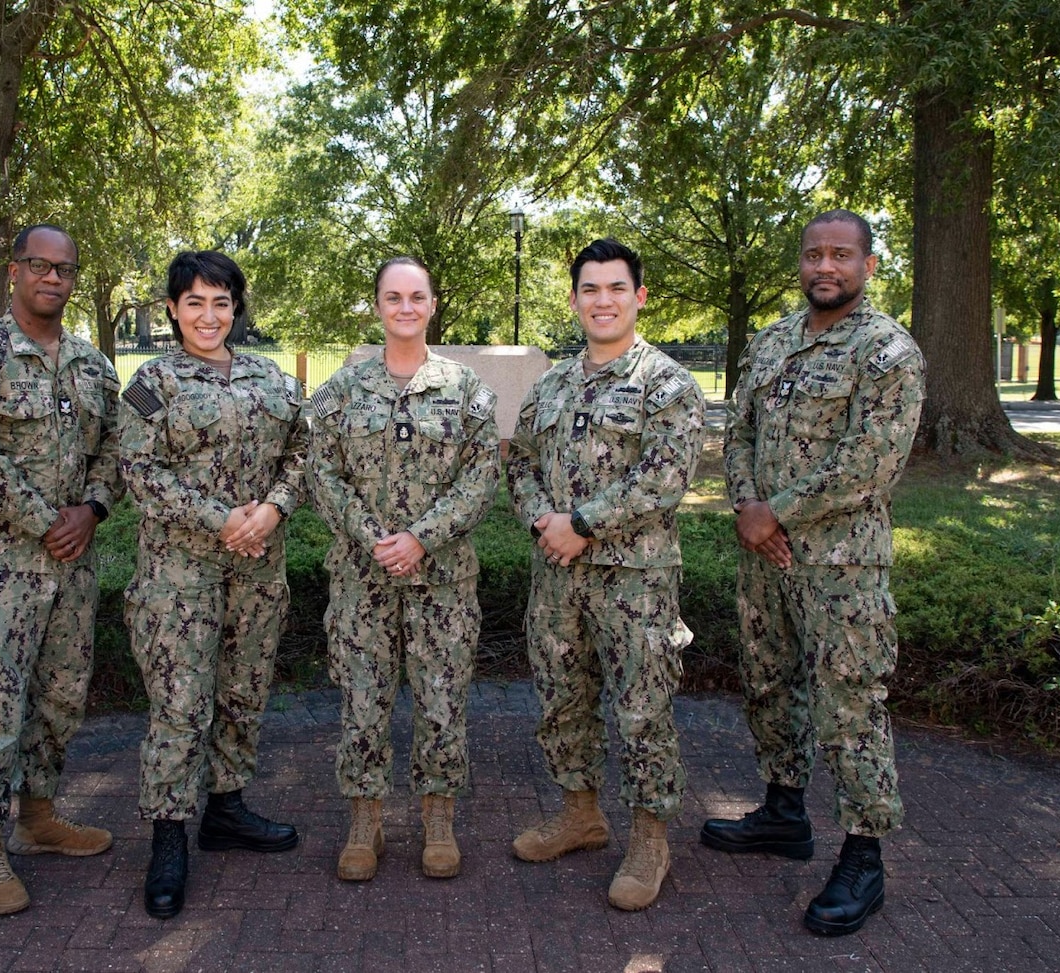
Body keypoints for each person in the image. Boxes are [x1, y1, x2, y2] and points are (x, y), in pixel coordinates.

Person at [701, 209, 926, 936]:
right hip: (765, 557)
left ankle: (864, 857)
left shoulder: (889, 351)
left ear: (867, 265)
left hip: (842, 565)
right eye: (812, 255)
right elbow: (738, 429)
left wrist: (779, 513)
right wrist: (745, 505)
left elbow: (870, 462)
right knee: (770, 681)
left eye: (841, 255)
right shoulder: (771, 343)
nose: (824, 267)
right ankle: (784, 810)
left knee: (850, 704)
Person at [0, 223, 123, 916]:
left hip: (72, 568)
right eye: (38, 265)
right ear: (13, 271)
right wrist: (52, 520)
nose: (53, 278)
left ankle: (38, 817)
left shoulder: (93, 366)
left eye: (64, 269)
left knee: (60, 698)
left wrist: (93, 508)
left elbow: (116, 449)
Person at [505, 237, 705, 912]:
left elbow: (666, 477)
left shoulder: (667, 384)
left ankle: (650, 837)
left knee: (642, 708)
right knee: (562, 698)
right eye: (590, 289)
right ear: (574, 300)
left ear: (639, 297)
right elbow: (520, 460)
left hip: (636, 580)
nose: (603, 300)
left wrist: (580, 522)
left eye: (616, 287)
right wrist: (542, 520)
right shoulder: (554, 383)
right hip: (558, 576)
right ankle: (580, 814)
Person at [118, 250, 307, 920]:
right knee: (180, 702)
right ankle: (169, 835)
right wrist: (220, 518)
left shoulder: (271, 378)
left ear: (237, 308)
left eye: (221, 302)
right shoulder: (152, 382)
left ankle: (225, 809)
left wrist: (274, 507)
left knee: (242, 688)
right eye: (195, 301)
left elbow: (302, 451)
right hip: (179, 572)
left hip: (258, 565)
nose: (209, 315)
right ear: (172, 309)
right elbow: (137, 471)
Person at [309, 256, 500, 882]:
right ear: (378, 307)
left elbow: (481, 477)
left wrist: (420, 538)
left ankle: (437, 818)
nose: (406, 308)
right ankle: (365, 821)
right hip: (362, 579)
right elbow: (324, 472)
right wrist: (375, 539)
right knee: (363, 702)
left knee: (442, 701)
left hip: (442, 579)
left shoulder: (467, 390)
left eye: (417, 296)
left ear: (433, 304)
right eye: (393, 297)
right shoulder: (342, 391)